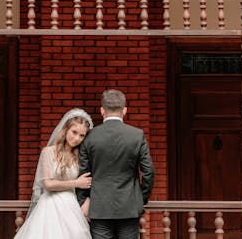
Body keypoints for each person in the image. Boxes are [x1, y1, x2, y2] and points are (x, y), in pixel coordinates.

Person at [77, 89, 155, 239]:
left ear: (102, 111)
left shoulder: (90, 136)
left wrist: (83, 201)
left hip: (99, 207)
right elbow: (148, 171)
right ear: (124, 110)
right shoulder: (137, 135)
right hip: (129, 205)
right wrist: (141, 197)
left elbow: (83, 172)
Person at [14, 108, 94, 239]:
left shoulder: (81, 155)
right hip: (50, 205)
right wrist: (76, 183)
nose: (76, 138)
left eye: (82, 135)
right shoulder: (48, 152)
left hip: (72, 206)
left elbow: (91, 180)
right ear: (65, 129)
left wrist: (88, 201)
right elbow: (48, 184)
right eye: (74, 132)